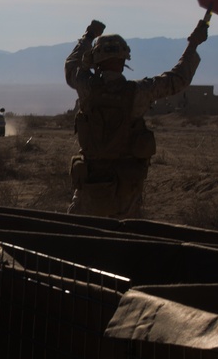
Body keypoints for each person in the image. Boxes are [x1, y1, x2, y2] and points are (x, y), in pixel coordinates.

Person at [65, 18, 209, 218]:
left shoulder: (85, 86)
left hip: (90, 187)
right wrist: (193, 45)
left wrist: (89, 36)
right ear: (124, 60)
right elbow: (178, 79)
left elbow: (71, 66)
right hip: (127, 191)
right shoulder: (139, 92)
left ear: (96, 60)